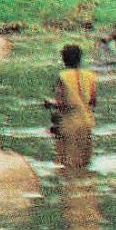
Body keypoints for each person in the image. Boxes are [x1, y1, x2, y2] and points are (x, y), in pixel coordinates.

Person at [45, 43, 98, 171]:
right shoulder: (91, 76)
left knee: (67, 166)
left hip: (69, 125)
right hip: (87, 123)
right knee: (85, 164)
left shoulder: (62, 77)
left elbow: (61, 103)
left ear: (63, 59)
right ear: (80, 58)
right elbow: (93, 102)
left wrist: (49, 103)